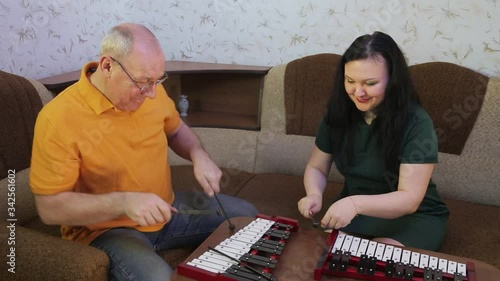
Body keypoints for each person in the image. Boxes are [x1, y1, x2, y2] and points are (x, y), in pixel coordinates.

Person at [30, 23, 258, 280]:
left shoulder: (152, 89)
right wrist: (124, 202)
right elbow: (50, 209)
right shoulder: (58, 118)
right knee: (157, 277)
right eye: (142, 83)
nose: (152, 93)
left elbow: (176, 130)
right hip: (106, 230)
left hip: (167, 209)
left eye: (157, 81)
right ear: (107, 66)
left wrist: (199, 155)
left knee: (246, 216)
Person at [297, 31, 449, 251]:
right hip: (358, 212)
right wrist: (314, 193)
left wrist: (354, 203)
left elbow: (409, 199)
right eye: (350, 81)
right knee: (324, 255)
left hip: (415, 215)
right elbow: (316, 167)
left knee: (377, 261)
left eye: (369, 83)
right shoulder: (337, 113)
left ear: (393, 80)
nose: (358, 92)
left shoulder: (416, 122)